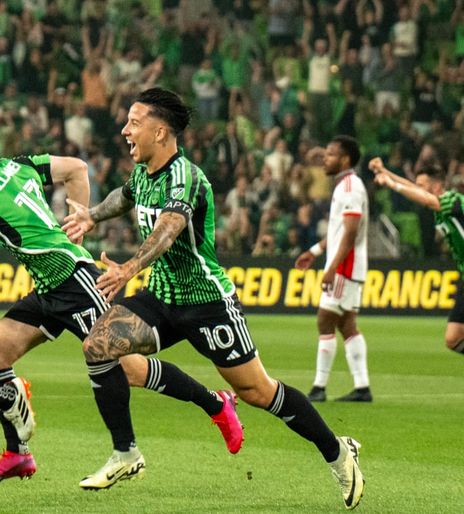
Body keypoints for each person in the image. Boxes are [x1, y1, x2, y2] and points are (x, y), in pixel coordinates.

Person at [62, 89, 362, 509]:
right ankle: (126, 453)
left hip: (207, 303)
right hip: (163, 298)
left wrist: (129, 269)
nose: (125, 130)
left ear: (160, 130)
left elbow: (168, 228)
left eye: (134, 122)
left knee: (259, 392)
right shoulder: (144, 172)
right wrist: (92, 215)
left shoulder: (185, 175)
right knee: (98, 346)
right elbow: (124, 195)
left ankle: (337, 451)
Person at [0, 124, 243, 486]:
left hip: (75, 283)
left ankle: (215, 404)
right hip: (49, 287)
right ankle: (18, 453)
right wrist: (78, 220)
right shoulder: (18, 164)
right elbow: (76, 168)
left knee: (126, 368)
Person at [295, 136, 372, 402]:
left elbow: (350, 234)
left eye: (330, 154)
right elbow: (339, 231)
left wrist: (333, 268)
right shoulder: (346, 186)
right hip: (349, 265)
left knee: (324, 319)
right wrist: (315, 252)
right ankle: (362, 388)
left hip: (345, 266)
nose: (325, 158)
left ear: (345, 159)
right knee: (347, 324)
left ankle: (319, 387)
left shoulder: (350, 187)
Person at [370, 159, 464, 356]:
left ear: (437, 186)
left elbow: (428, 199)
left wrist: (390, 183)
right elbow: (415, 189)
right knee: (453, 338)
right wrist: (386, 172)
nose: (418, 190)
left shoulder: (453, 200)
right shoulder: (441, 205)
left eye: (423, 186)